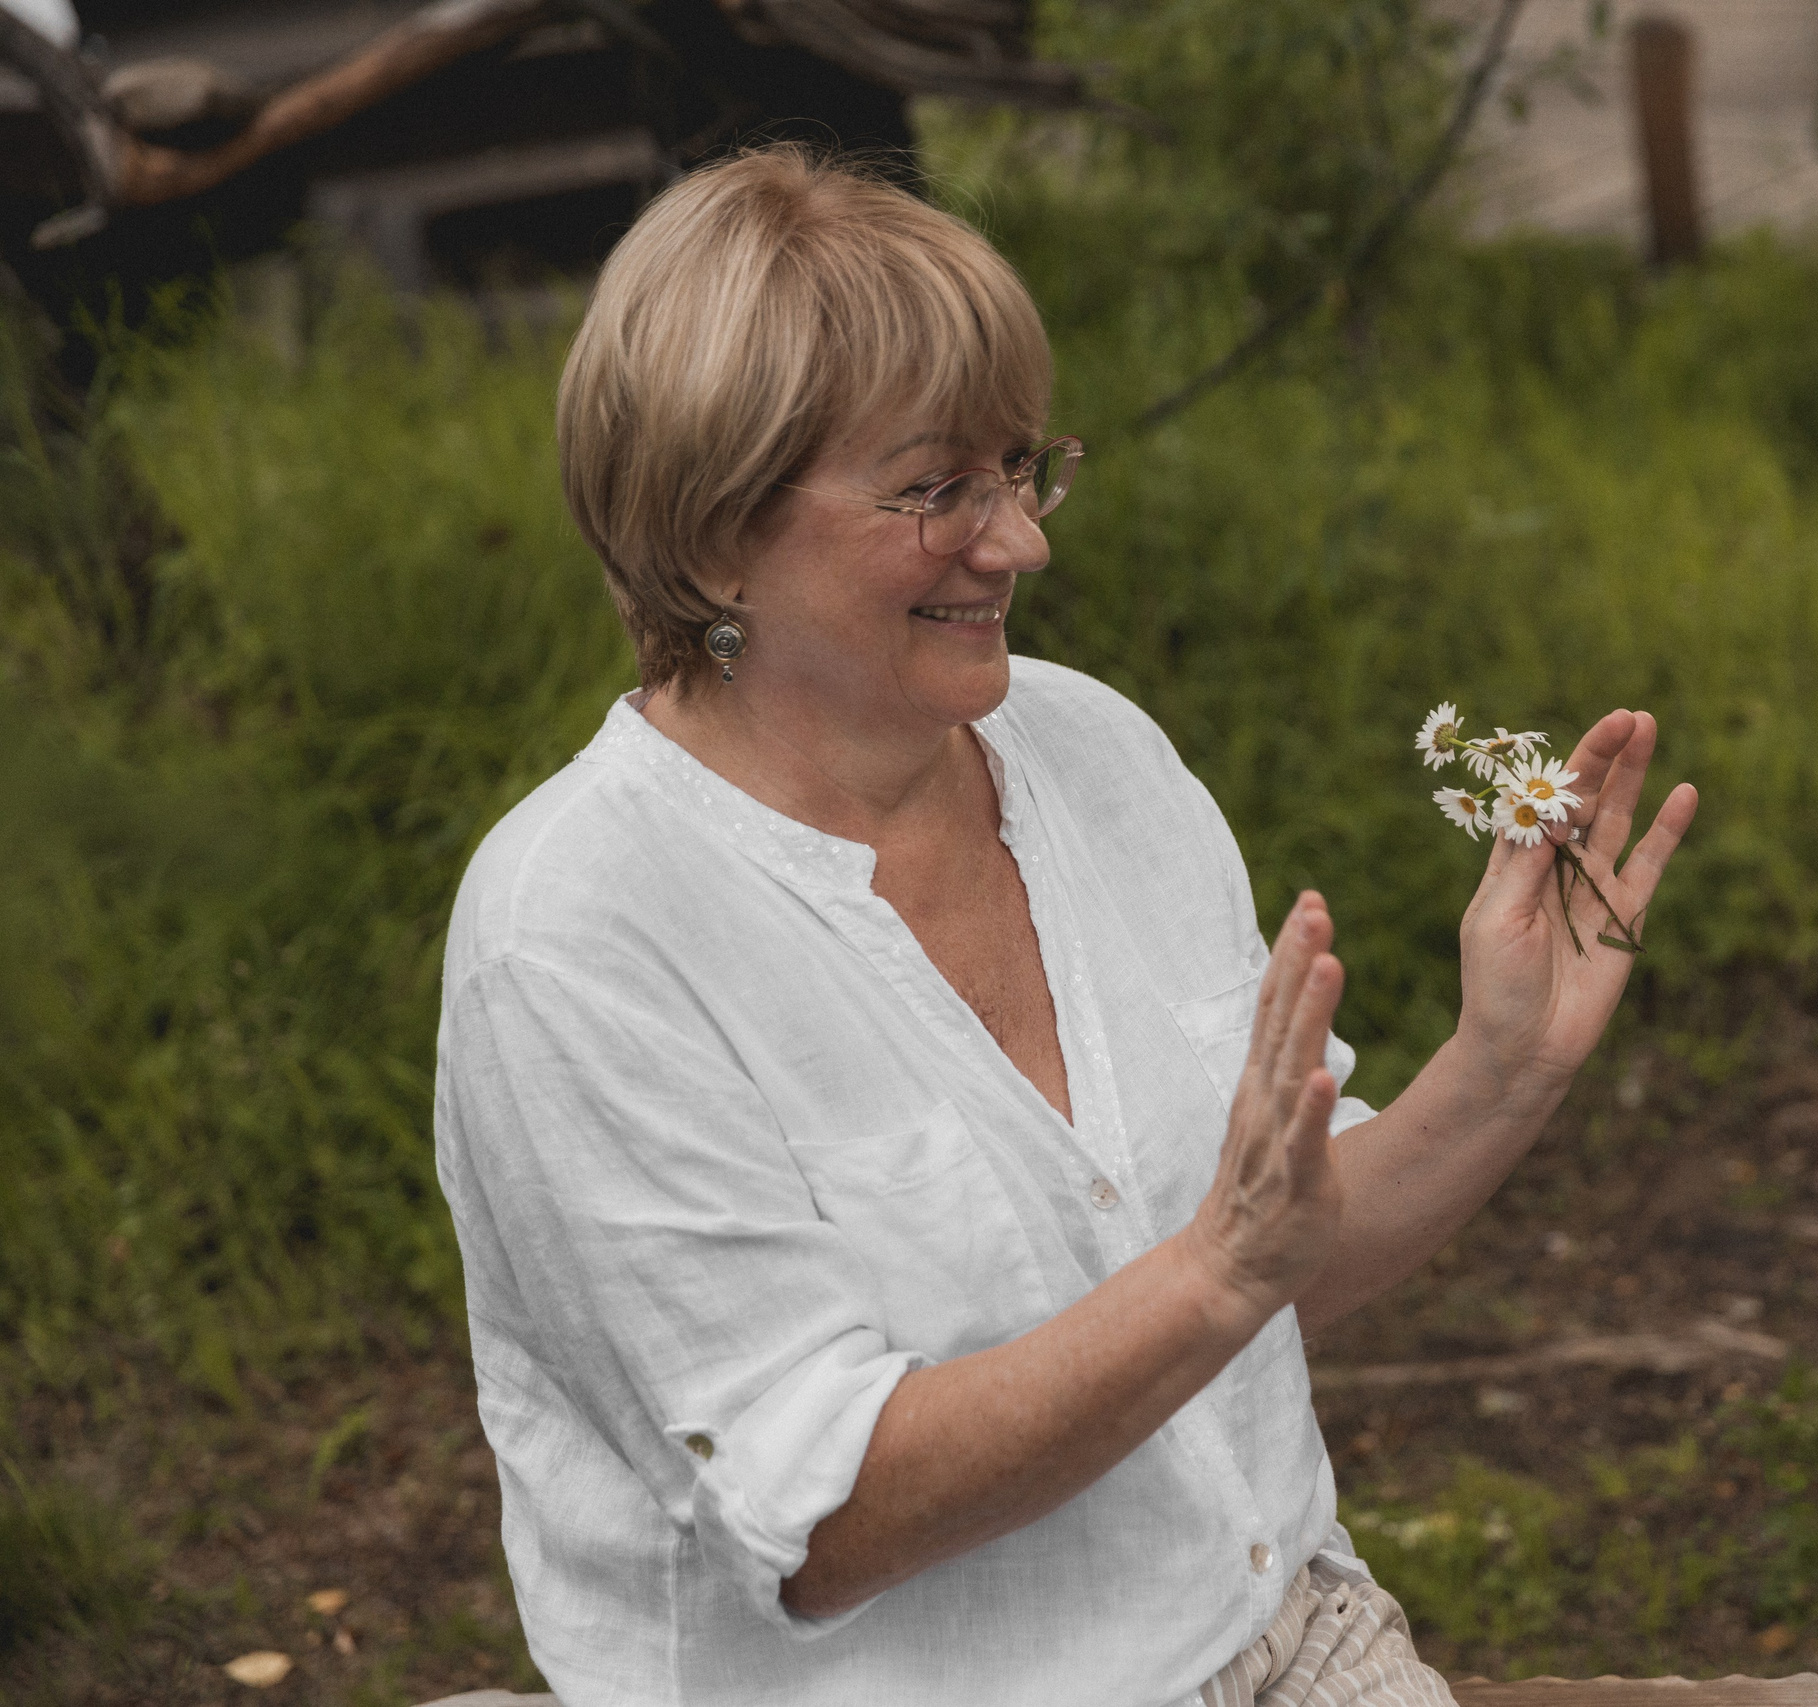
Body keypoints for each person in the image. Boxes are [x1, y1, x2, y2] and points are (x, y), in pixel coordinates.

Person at [431, 144, 1698, 1707]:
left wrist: (1500, 1066)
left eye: (1025, 467)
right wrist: (1217, 1272)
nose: (1020, 541)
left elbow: (1276, 1243)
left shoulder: (1090, 749)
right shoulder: (578, 935)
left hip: (1289, 1637)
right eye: (936, 488)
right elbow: (821, 1516)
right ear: (709, 539)